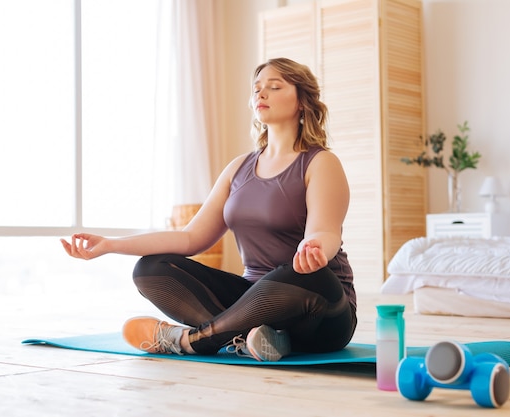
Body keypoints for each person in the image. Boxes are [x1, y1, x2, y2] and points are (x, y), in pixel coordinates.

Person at [61, 57, 357, 361]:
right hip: (251, 300)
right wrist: (111, 245)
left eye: (274, 86)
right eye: (256, 89)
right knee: (150, 268)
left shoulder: (320, 163)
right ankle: (257, 337)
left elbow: (325, 231)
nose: (260, 94)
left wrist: (315, 248)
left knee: (303, 273)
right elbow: (190, 238)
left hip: (320, 310)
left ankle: (190, 341)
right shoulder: (238, 169)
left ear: (302, 103)